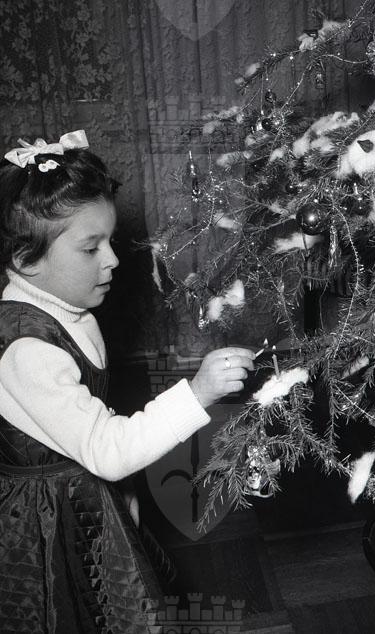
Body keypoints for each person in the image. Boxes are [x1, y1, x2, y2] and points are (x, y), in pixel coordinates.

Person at [0, 130, 254, 633]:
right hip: (46, 526)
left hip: (79, 496)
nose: (112, 259)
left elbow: (90, 431)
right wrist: (198, 393)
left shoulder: (66, 309)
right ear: (26, 261)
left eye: (109, 241)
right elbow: (106, 450)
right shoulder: (27, 352)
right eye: (90, 248)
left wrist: (118, 497)